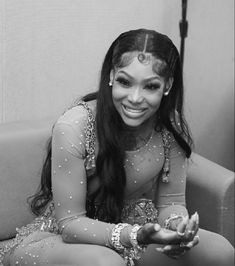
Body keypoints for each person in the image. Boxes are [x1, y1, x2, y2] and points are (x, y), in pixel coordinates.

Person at [2, 28, 234, 266]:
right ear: (111, 76)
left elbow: (171, 204)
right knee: (107, 263)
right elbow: (71, 225)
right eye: (125, 81)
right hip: (64, 239)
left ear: (167, 86)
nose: (134, 98)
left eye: (150, 86)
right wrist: (134, 236)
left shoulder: (168, 125)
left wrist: (177, 227)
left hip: (133, 233)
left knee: (219, 251)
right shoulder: (75, 126)